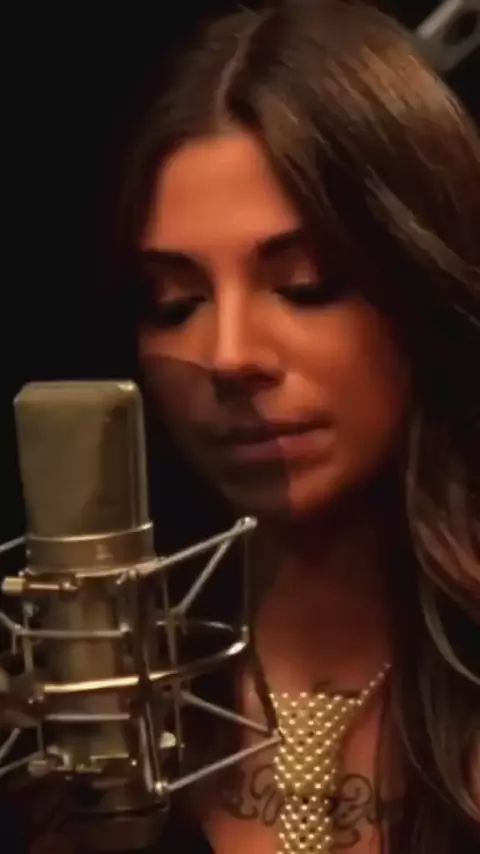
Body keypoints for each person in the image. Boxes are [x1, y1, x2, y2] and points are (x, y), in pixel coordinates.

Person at [9, 1, 480, 853]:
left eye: (306, 286)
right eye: (175, 303)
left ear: (424, 284)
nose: (228, 356)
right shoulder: (53, 740)